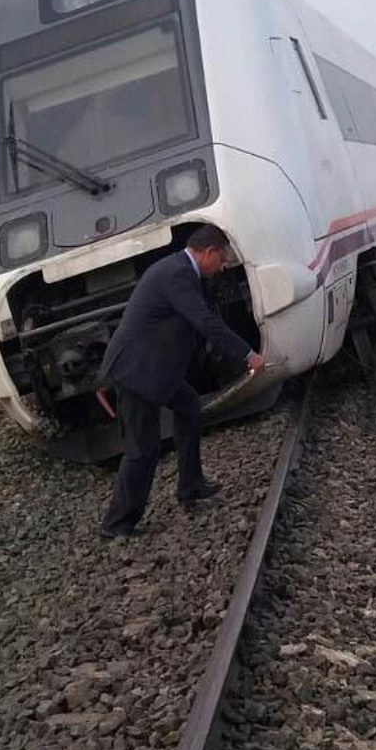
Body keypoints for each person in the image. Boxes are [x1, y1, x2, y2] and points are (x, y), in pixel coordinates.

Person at [97, 225, 265, 538]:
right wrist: (247, 354)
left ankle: (190, 485)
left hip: (155, 369)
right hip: (137, 372)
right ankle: (117, 524)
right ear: (209, 252)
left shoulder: (178, 270)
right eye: (222, 260)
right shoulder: (177, 274)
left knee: (188, 407)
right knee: (142, 449)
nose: (222, 267)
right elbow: (203, 321)